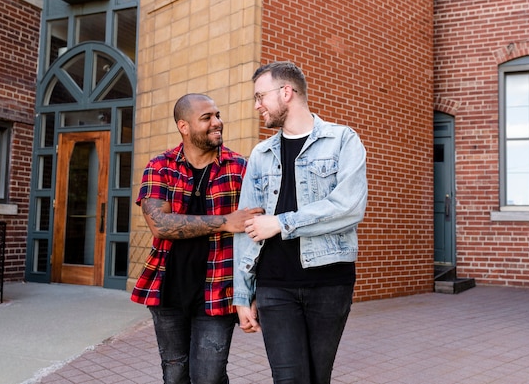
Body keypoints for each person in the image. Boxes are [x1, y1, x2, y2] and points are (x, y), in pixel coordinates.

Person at [233, 61, 368, 384]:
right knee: (289, 378)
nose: (257, 105)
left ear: (286, 92)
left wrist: (281, 223)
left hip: (330, 283)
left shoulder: (343, 141)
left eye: (260, 96)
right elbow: (246, 228)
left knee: (318, 377)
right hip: (274, 285)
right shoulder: (261, 154)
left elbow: (349, 207)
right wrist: (241, 295)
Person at [131, 93, 264, 384]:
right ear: (184, 126)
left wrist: (250, 294)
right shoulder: (160, 167)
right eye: (207, 118)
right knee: (175, 371)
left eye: (217, 115)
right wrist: (225, 222)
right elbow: (160, 225)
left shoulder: (241, 169)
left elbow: (255, 236)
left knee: (209, 376)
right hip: (169, 289)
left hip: (219, 289)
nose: (217, 122)